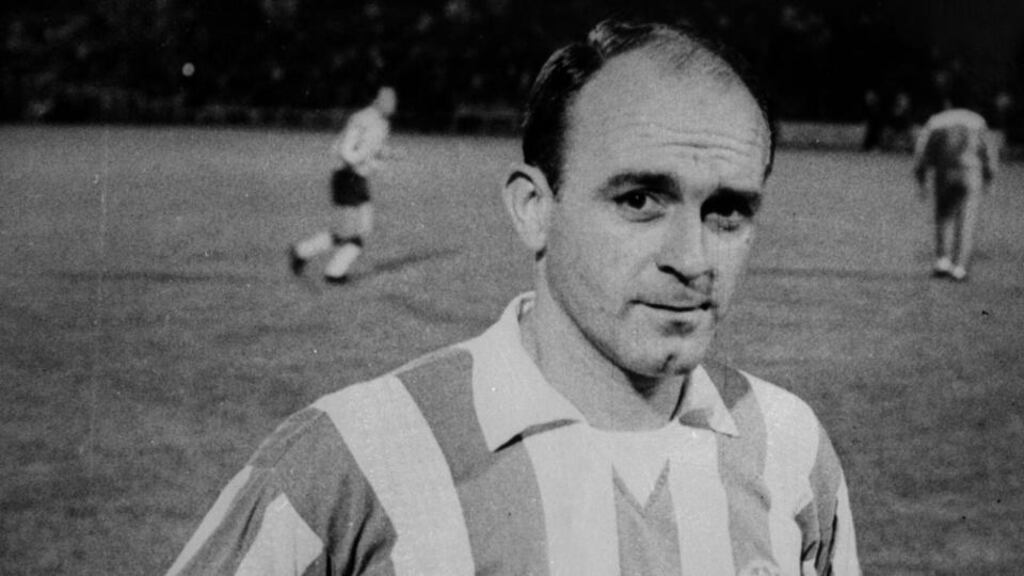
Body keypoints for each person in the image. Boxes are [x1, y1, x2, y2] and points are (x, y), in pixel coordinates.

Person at [167, 20, 860, 575]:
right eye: (640, 199)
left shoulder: (791, 449)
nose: (692, 259)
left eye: (729, 211)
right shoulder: (354, 458)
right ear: (533, 208)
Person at [289, 86, 397, 283]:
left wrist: (387, 154)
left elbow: (373, 148)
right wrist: (360, 160)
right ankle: (330, 270)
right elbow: (347, 149)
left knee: (362, 228)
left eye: (394, 101)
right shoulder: (363, 119)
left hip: (358, 179)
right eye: (389, 101)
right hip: (348, 178)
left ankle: (306, 254)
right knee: (350, 234)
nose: (393, 105)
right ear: (377, 101)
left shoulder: (380, 122)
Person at [913, 108, 996, 281]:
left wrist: (921, 178)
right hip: (971, 173)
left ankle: (943, 260)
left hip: (945, 172)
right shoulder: (977, 121)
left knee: (943, 216)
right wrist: (989, 176)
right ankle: (960, 267)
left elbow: (922, 152)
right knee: (967, 221)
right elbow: (988, 151)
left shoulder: (937, 121)